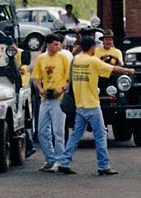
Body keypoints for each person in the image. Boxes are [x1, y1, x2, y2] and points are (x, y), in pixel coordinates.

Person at [54, 36, 134, 176]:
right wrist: (128, 71)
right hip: (92, 103)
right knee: (100, 135)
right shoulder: (93, 61)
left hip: (79, 104)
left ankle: (64, 162)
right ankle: (104, 166)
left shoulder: (75, 60)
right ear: (92, 47)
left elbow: (70, 79)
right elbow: (113, 68)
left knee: (75, 135)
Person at [32, 34, 70, 172]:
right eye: (55, 44)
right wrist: (40, 89)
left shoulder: (63, 58)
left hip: (58, 98)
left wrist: (62, 89)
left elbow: (68, 78)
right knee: (42, 130)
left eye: (59, 44)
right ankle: (50, 158)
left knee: (58, 131)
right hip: (46, 97)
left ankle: (60, 159)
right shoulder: (41, 58)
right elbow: (36, 77)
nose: (58, 46)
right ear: (48, 45)